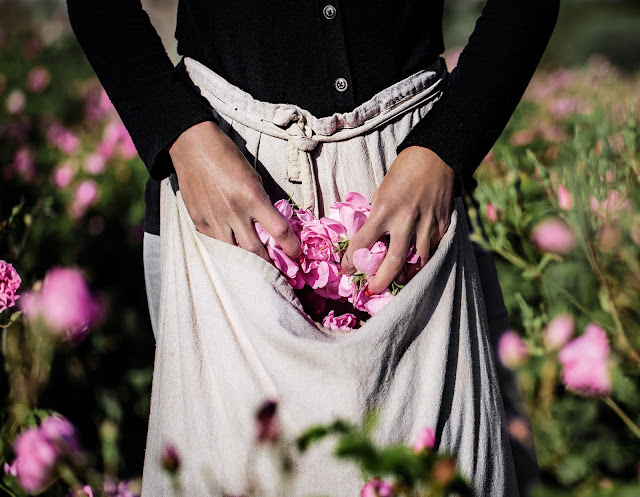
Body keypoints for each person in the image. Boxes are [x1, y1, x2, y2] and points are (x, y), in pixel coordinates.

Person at [66, 1, 559, 495]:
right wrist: (177, 130)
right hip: (223, 176)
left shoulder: (432, 166)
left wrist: (449, 145)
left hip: (412, 180)